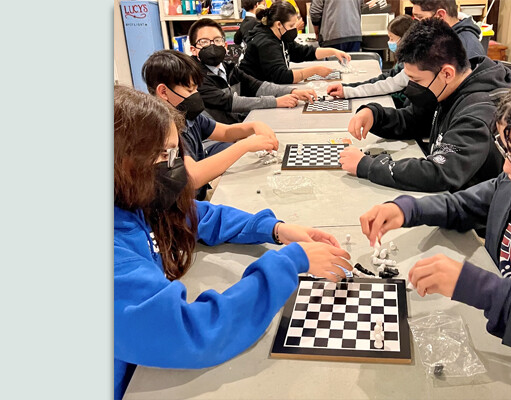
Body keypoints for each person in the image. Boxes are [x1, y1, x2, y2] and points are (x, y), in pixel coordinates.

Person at [358, 64, 511, 398]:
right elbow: (464, 205)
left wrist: (491, 294)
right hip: (501, 349)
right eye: (505, 152)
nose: (508, 169)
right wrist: (408, 208)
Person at [114, 85, 352, 400]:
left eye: (175, 152)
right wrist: (289, 262)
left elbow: (195, 215)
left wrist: (276, 229)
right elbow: (194, 334)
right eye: (164, 154)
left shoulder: (132, 201)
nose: (176, 166)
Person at [339, 18, 511, 193]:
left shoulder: (478, 113)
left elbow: (439, 173)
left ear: (446, 73)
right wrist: (375, 115)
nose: (411, 86)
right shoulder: (449, 89)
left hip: (470, 209)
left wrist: (367, 166)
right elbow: (414, 121)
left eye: (416, 80)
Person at [142, 50, 279, 200]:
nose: (195, 94)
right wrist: (245, 145)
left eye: (196, 89)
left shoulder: (188, 116)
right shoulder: (163, 130)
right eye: (189, 90)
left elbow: (225, 132)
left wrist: (254, 126)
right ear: (163, 91)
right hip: (183, 208)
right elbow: (192, 177)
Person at [188, 18, 318, 125]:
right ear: (193, 49)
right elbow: (230, 102)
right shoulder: (194, 77)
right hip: (217, 141)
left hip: (238, 127)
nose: (212, 45)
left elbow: (258, 86)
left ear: (225, 45)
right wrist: (276, 102)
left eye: (217, 40)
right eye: (204, 42)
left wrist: (292, 91)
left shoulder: (228, 69)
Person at [239, 1, 351, 84]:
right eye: (291, 26)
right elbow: (281, 76)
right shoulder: (266, 42)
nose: (294, 29)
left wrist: (333, 52)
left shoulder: (280, 36)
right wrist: (315, 70)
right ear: (278, 24)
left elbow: (302, 52)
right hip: (252, 94)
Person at [326, 15, 415, 109]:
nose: (389, 42)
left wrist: (348, 91)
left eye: (392, 39)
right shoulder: (404, 62)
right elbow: (386, 81)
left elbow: (388, 85)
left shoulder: (413, 64)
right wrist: (346, 88)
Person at [411, 0, 485, 69]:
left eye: (420, 17)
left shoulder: (467, 47)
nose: (417, 24)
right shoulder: (438, 36)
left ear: (440, 15)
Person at [310, 0, 382, 52]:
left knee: (333, 70)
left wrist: (317, 32)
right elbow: (361, 7)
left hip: (332, 36)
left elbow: (315, 13)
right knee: (352, 69)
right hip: (354, 35)